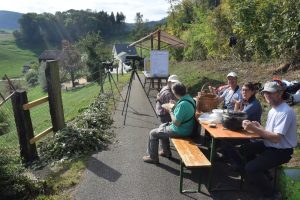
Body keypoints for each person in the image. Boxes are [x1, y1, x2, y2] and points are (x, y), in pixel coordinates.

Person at [240, 81, 297, 198]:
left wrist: (255, 130)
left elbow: (276, 138)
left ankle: (271, 194)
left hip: (281, 151)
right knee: (244, 149)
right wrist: (258, 127)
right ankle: (262, 175)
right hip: (270, 144)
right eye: (265, 93)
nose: (267, 96)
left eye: (271, 93)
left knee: (250, 168)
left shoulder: (285, 112)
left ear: (279, 93)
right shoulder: (273, 109)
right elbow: (270, 132)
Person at [143, 82, 196, 164]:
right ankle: (165, 151)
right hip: (187, 127)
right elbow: (183, 113)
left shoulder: (183, 104)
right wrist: (175, 105)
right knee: (162, 126)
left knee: (153, 133)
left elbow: (176, 123)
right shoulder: (189, 98)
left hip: (181, 130)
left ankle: (153, 157)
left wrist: (170, 110)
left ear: (175, 92)